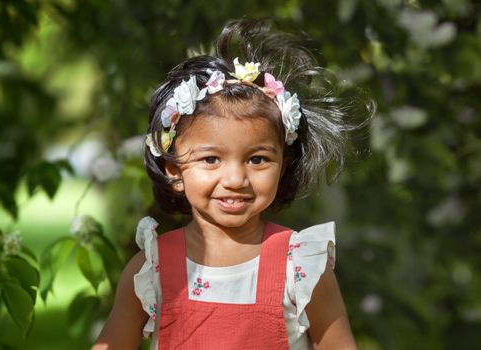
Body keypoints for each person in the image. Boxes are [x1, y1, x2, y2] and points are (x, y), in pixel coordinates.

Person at [94, 18, 372, 350]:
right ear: (174, 170)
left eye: (257, 160)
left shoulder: (300, 267)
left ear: (283, 165)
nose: (236, 179)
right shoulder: (151, 269)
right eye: (211, 159)